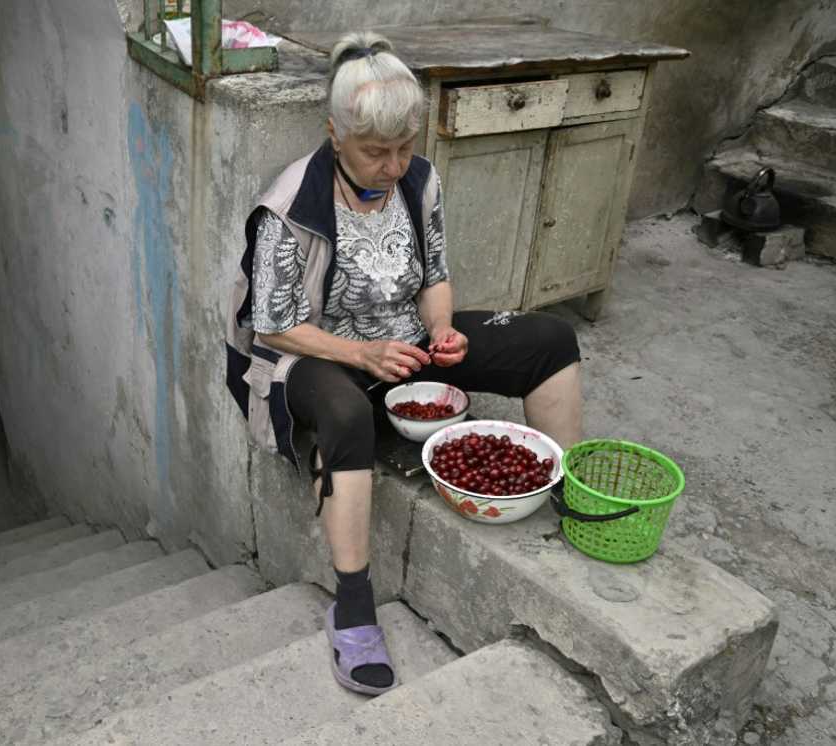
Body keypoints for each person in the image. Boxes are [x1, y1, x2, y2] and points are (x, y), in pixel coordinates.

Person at [224, 31, 583, 696]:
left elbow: (436, 276)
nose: (393, 165)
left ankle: (567, 490)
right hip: (318, 355)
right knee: (344, 412)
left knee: (550, 341)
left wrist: (443, 330)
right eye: (374, 151)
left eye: (404, 148)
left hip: (405, 344)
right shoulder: (290, 204)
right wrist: (360, 353)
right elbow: (275, 323)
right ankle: (353, 604)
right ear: (335, 134)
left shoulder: (419, 180)